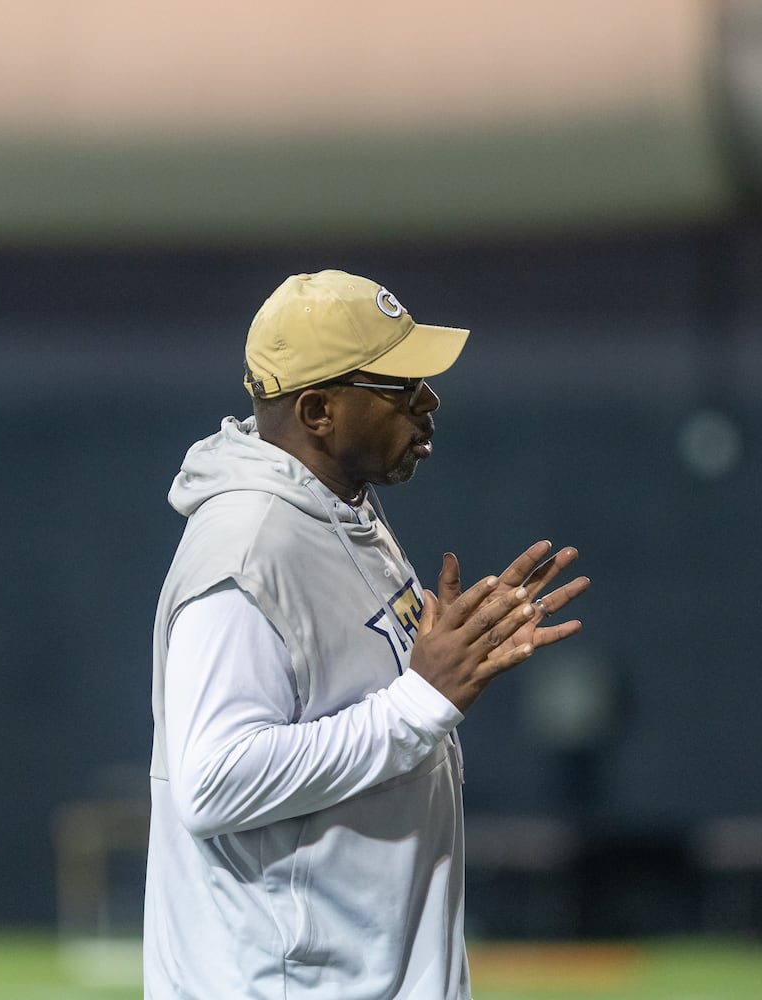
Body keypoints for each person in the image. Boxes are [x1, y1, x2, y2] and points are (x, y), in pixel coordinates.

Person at [144, 269, 590, 998]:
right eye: (400, 385)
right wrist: (420, 699)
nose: (429, 401)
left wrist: (451, 651)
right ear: (318, 409)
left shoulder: (340, 512)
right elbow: (213, 782)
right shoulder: (250, 543)